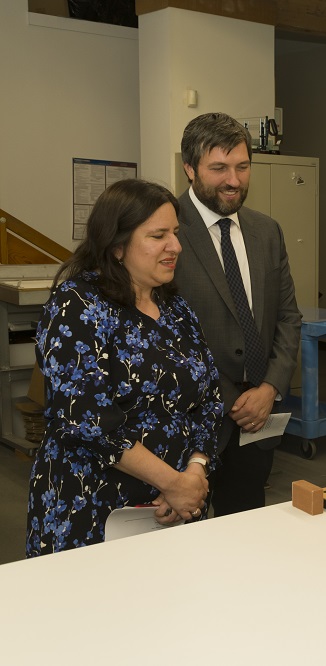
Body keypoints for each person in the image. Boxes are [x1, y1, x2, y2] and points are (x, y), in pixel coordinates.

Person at [26, 179, 223, 557]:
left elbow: (210, 398)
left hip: (179, 504)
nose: (176, 246)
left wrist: (194, 472)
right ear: (117, 246)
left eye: (176, 233)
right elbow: (87, 419)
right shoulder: (77, 307)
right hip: (94, 509)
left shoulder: (176, 308)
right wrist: (173, 483)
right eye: (158, 235)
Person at [173, 112, 302, 515]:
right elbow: (159, 334)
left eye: (242, 167)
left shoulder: (267, 231)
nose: (234, 180)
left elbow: (287, 317)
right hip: (188, 421)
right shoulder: (165, 231)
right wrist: (232, 397)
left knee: (245, 526)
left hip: (257, 421)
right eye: (219, 168)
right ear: (189, 168)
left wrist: (269, 389)